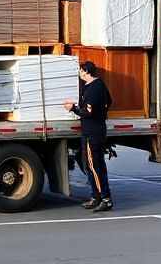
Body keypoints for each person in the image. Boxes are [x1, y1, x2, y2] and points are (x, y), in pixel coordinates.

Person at [64, 61, 113, 212]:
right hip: (98, 129)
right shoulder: (100, 85)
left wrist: (73, 109)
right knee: (97, 165)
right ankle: (96, 196)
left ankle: (105, 198)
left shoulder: (93, 89)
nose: (79, 73)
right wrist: (101, 113)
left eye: (80, 71)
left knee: (93, 166)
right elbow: (109, 101)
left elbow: (88, 112)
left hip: (91, 132)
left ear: (86, 71)